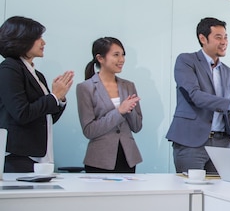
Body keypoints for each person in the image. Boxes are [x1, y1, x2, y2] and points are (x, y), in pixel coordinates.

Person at [166, 17, 230, 174]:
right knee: (191, 193)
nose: (224, 42)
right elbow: (195, 95)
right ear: (202, 38)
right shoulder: (186, 61)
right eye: (218, 37)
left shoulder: (229, 72)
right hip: (191, 143)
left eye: (226, 37)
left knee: (218, 194)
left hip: (221, 144)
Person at [0, 16, 74, 173]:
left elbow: (46, 119)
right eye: (38, 38)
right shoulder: (9, 68)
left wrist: (59, 99)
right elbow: (22, 113)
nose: (43, 43)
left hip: (38, 156)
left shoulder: (37, 74)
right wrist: (53, 97)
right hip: (18, 157)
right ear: (22, 39)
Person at [76, 37, 143, 173]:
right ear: (100, 58)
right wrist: (119, 112)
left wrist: (129, 111)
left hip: (128, 157)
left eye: (123, 55)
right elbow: (89, 130)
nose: (122, 60)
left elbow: (137, 127)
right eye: (116, 55)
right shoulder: (86, 88)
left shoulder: (128, 86)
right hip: (99, 160)